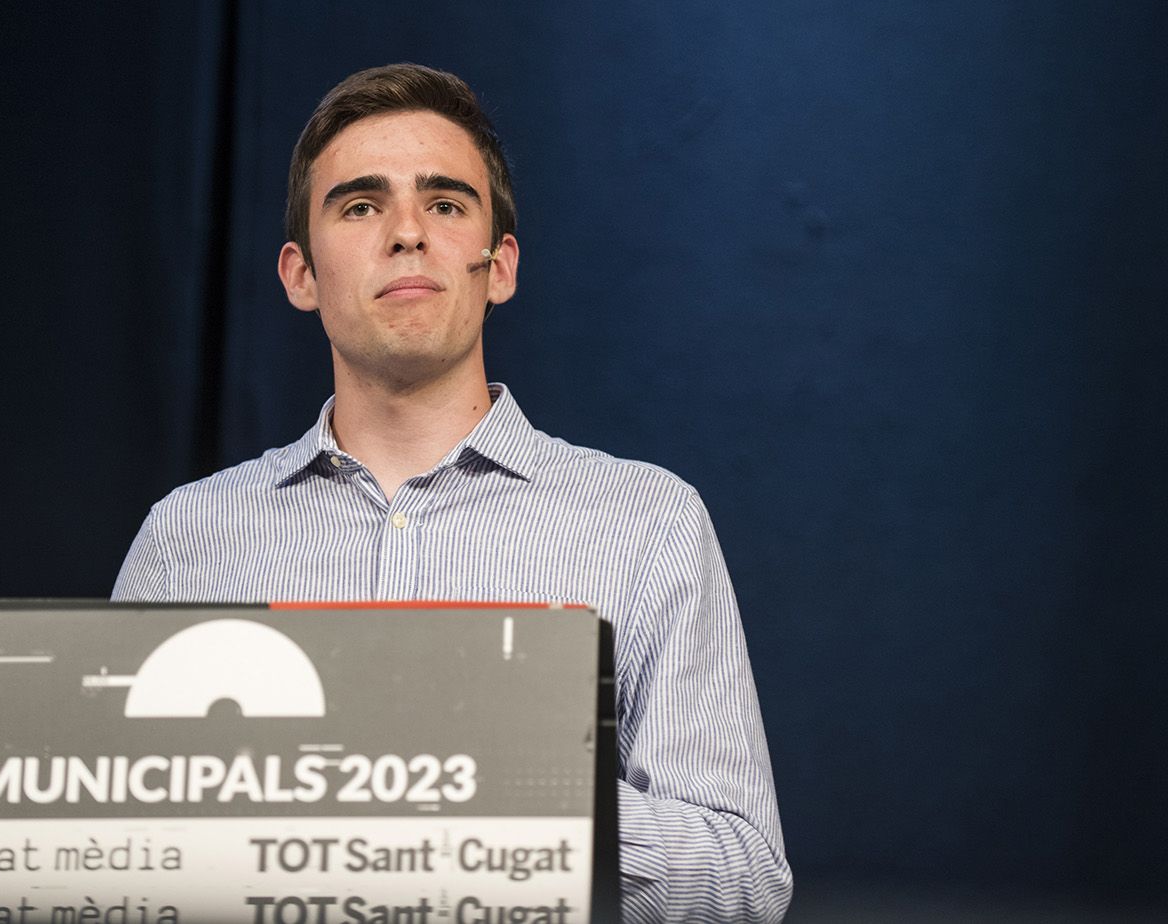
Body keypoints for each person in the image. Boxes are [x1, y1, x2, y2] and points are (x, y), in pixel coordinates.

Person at [113, 63, 792, 922]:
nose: (406, 233)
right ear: (300, 276)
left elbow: (744, 880)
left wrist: (508, 799)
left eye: (444, 204)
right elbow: (116, 862)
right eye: (360, 206)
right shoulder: (188, 540)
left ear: (498, 265)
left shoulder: (647, 523)